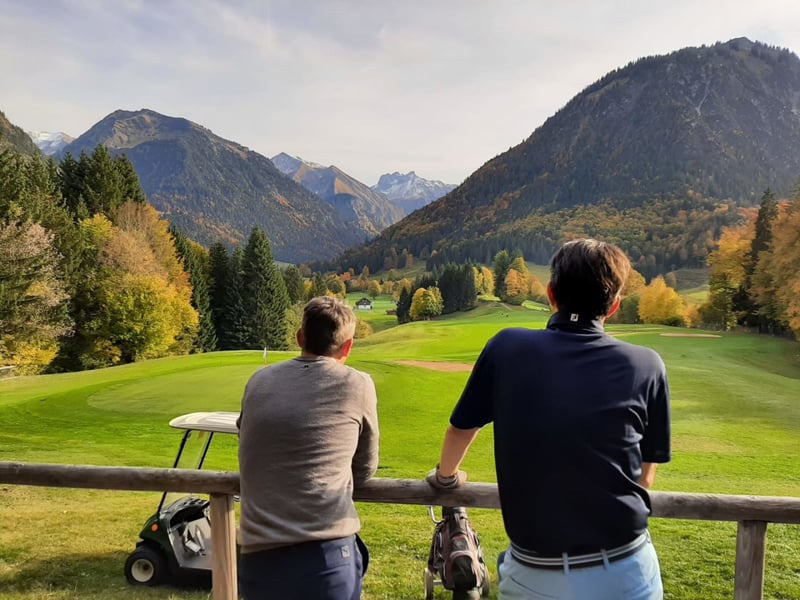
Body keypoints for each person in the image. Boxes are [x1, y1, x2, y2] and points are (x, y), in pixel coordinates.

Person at [426, 239, 671, 600]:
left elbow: (462, 428)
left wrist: (445, 478)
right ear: (614, 306)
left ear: (550, 294)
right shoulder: (647, 365)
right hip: (626, 568)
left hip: (535, 574)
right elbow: (646, 472)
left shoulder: (506, 347)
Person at [237, 296, 380, 600]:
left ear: (300, 337)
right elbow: (366, 467)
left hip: (257, 557)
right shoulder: (358, 384)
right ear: (348, 346)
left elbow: (248, 437)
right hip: (326, 555)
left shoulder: (257, 381)